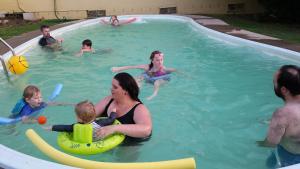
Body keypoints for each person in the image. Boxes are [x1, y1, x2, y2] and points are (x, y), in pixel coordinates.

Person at [257, 65, 300, 167]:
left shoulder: (282, 114)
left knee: (270, 164)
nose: (274, 85)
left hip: (290, 159)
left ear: (284, 90)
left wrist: (257, 144)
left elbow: (271, 142)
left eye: (274, 82)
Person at [94, 72, 152, 140]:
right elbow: (89, 115)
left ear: (125, 91)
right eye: (112, 86)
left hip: (130, 145)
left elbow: (146, 130)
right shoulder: (109, 100)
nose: (111, 89)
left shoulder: (139, 109)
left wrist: (114, 128)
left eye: (115, 87)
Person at [111, 50, 176, 100]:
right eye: (157, 60)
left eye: (161, 60)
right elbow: (133, 66)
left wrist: (185, 75)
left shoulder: (165, 70)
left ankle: (154, 94)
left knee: (157, 82)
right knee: (138, 78)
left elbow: (176, 71)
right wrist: (119, 69)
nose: (160, 62)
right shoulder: (147, 67)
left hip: (161, 79)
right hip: (149, 79)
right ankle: (135, 91)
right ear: (152, 61)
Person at [43, 100, 117, 141]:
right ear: (94, 114)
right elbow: (111, 120)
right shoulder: (100, 123)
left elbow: (64, 127)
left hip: (83, 144)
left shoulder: (75, 127)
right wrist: (113, 112)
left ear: (79, 118)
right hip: (99, 143)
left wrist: (52, 127)